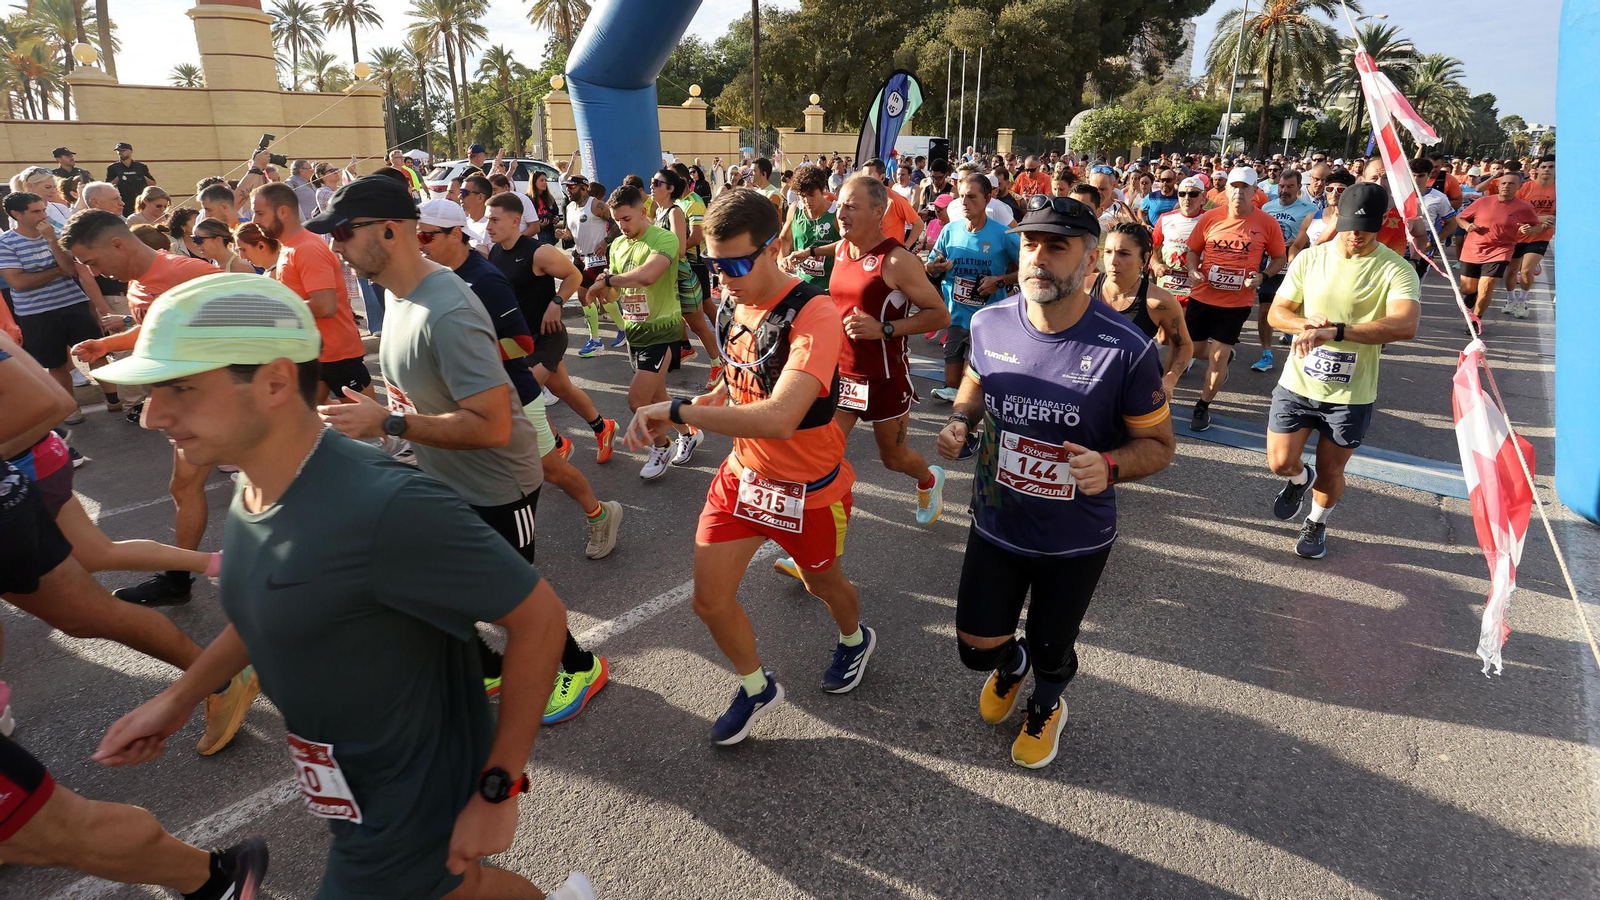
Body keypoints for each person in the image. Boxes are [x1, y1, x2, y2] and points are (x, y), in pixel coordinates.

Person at [90, 274, 594, 900]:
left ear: (275, 381)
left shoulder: (384, 506)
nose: (152, 414)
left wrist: (499, 786)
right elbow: (271, 605)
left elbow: (539, 619)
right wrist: (181, 697)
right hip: (345, 781)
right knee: (457, 889)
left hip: (410, 788)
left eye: (181, 388)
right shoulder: (257, 490)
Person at [309, 177, 609, 723]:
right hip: (446, 474)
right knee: (426, 581)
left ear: (391, 231)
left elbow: (493, 427)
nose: (335, 247)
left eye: (344, 233)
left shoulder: (444, 308)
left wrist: (390, 422)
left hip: (497, 482)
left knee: (514, 599)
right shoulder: (399, 295)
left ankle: (580, 666)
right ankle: (485, 666)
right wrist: (378, 417)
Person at [620, 187, 873, 745]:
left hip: (809, 490)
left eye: (735, 263)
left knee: (822, 583)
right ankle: (757, 687)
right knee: (708, 600)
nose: (724, 277)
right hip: (742, 480)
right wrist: (690, 414)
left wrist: (678, 407)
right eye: (714, 265)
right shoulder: (734, 301)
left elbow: (781, 416)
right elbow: (733, 385)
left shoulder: (815, 313)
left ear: (773, 246)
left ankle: (855, 638)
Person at [934, 194, 1175, 769]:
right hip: (995, 521)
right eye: (1030, 243)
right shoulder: (991, 321)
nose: (1038, 257)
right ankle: (1009, 668)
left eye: (1057, 247)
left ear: (1089, 263)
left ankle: (1046, 703)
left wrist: (1110, 465)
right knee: (974, 647)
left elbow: (1160, 447)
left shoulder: (1127, 348)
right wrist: (961, 420)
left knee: (1051, 648)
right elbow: (975, 381)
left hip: (1074, 538)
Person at [417, 199, 623, 562]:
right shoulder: (447, 274)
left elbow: (521, 344)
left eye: (425, 236)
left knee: (550, 469)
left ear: (454, 234)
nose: (420, 244)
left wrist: (465, 356)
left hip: (515, 388)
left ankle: (600, 513)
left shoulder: (484, 278)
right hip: (478, 395)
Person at [776, 174, 948, 571]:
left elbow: (940, 313)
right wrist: (808, 253)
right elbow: (837, 246)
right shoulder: (845, 249)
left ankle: (928, 480)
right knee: (820, 457)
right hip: (842, 376)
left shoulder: (897, 260)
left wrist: (885, 328)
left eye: (852, 206)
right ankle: (811, 552)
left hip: (885, 377)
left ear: (878, 212)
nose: (841, 213)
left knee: (894, 457)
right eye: (841, 206)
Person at [62, 210, 230, 606]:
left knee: (271, 486)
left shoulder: (190, 273)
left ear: (117, 243)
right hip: (186, 404)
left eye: (94, 261)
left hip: (220, 404)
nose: (96, 271)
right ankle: (178, 580)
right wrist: (109, 345)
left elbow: (254, 316)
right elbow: (157, 327)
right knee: (185, 486)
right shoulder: (139, 283)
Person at [1264, 182, 1420, 559]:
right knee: (1280, 462)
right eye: (1349, 225)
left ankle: (1317, 522)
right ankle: (1301, 481)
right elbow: (1276, 314)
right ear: (1336, 217)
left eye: (1366, 229)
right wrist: (1304, 324)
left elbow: (1405, 325)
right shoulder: (1310, 258)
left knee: (1331, 470)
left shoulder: (1397, 269)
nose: (1356, 235)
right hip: (1298, 382)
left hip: (1351, 393)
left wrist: (1338, 332)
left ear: (1381, 224)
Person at [484, 193, 619, 465]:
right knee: (564, 390)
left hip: (549, 336)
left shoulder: (538, 251)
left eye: (495, 220)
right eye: (488, 219)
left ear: (515, 221)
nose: (488, 226)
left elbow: (575, 275)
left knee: (526, 391)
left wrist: (557, 302)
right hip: (521, 340)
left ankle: (556, 444)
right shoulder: (496, 252)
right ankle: (602, 427)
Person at [584, 184, 692, 479]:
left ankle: (661, 445)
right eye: (617, 220)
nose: (622, 226)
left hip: (663, 331)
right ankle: (689, 431)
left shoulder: (663, 238)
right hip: (636, 332)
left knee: (637, 400)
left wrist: (610, 280)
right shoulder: (618, 245)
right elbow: (617, 294)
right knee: (659, 398)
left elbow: (647, 275)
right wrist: (602, 292)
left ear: (643, 212)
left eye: (627, 219)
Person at [1183, 167, 1287, 432]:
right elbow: (1193, 251)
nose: (1239, 192)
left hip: (1236, 302)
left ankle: (1203, 406)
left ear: (1255, 192)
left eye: (1245, 187)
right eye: (1234, 187)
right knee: (1192, 350)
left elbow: (1279, 258)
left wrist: (1263, 276)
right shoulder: (1210, 218)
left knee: (1218, 356)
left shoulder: (1266, 222)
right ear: (1225, 190)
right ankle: (1226, 354)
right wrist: (1193, 269)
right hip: (1203, 295)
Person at [251, 182, 370, 404]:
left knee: (372, 425)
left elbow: (325, 306)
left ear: (283, 211)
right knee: (306, 419)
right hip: (312, 352)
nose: (254, 220)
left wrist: (276, 311)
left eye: (260, 213)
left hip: (336, 354)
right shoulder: (289, 246)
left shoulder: (307, 248)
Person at [0, 192, 114, 423]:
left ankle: (114, 400)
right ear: (16, 214)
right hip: (35, 313)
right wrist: (56, 271)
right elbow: (18, 283)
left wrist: (52, 241)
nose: (44, 214)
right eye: (36, 211)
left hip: (72, 304)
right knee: (56, 363)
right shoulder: (6, 244)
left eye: (43, 209)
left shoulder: (56, 235)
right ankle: (71, 407)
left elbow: (70, 269)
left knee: (95, 352)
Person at [925, 172, 1020, 403]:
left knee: (980, 371)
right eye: (961, 197)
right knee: (952, 376)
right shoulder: (950, 231)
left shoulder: (1002, 233)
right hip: (956, 313)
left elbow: (1028, 270)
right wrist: (935, 267)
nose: (964, 203)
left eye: (971, 197)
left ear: (988, 199)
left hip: (989, 316)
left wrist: (999, 281)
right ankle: (954, 393)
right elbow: (929, 266)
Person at [1093, 222, 1192, 400]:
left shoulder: (1159, 301)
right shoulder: (1084, 288)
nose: (1113, 261)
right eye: (1108, 252)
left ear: (1144, 259)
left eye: (1123, 253)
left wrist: (1170, 379)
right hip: (1085, 385)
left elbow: (1184, 345)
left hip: (1133, 392)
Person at [650, 167, 723, 387]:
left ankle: (718, 365)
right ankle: (681, 353)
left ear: (670, 188)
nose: (652, 187)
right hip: (667, 278)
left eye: (657, 183)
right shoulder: (659, 212)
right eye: (652, 182)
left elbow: (681, 249)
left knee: (698, 326)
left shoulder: (675, 212)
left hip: (681, 277)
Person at [1250, 169, 1318, 373]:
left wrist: (1298, 244)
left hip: (1295, 266)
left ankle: (1294, 342)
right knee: (1264, 309)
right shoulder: (1267, 207)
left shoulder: (1310, 209)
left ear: (1299, 188)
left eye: (1290, 186)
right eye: (1281, 186)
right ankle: (1266, 354)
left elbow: (1314, 239)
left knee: (1295, 310)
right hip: (1271, 265)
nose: (1284, 190)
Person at [1456, 170, 1540, 331]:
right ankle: (1472, 295)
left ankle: (1475, 321)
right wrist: (1468, 226)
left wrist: (1529, 230)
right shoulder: (1483, 202)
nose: (1506, 186)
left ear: (1519, 187)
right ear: (1499, 185)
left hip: (1501, 250)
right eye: (1504, 183)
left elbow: (1535, 226)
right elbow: (1460, 218)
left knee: (1488, 285)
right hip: (1473, 249)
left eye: (1511, 184)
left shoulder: (1524, 207)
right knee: (1467, 289)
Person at [559, 178, 626, 358]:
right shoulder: (569, 208)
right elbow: (571, 233)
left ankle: (595, 341)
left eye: (572, 187)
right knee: (602, 297)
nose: (568, 190)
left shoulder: (595, 205)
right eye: (566, 187)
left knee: (583, 295)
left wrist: (605, 241)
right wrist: (564, 235)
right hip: (580, 257)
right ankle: (623, 328)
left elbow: (618, 222)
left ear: (583, 188)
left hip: (597, 258)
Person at [1507, 154, 1555, 318]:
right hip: (1519, 234)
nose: (1547, 170)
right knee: (1512, 270)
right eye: (1544, 167)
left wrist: (1545, 223)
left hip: (1541, 235)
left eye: (1551, 167)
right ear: (1538, 170)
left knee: (1526, 270)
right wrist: (1539, 217)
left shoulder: (1560, 191)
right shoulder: (1526, 188)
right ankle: (1511, 299)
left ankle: (1522, 301)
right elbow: (1512, 210)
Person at [778, 164, 839, 290]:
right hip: (802, 284)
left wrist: (811, 252)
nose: (807, 200)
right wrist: (781, 261)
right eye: (802, 195)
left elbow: (848, 244)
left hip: (830, 286)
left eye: (812, 195)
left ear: (822, 190)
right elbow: (784, 239)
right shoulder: (795, 209)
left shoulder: (836, 212)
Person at [1150, 176, 1207, 305]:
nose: (1187, 198)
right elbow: (1152, 248)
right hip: (1168, 286)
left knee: (1189, 325)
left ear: (1203, 197)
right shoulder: (1165, 218)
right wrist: (1155, 265)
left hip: (1196, 289)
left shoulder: (1210, 220)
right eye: (1182, 194)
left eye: (1193, 194)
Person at [192, 216, 256, 273]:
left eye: (198, 239)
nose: (195, 244)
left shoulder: (240, 266)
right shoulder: (214, 264)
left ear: (218, 240)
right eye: (193, 239)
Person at [106, 142, 155, 216]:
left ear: (130, 151)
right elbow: (108, 186)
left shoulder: (141, 167)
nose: (120, 153)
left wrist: (141, 176)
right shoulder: (113, 168)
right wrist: (119, 178)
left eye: (122, 150)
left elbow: (153, 183)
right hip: (123, 202)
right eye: (118, 151)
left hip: (141, 201)